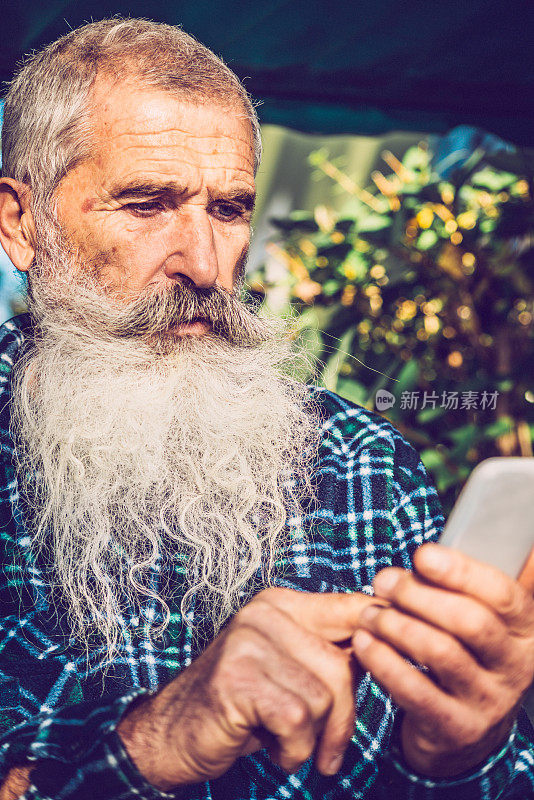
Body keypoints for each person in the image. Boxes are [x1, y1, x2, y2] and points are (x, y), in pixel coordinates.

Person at [0, 17, 532, 800]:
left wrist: (456, 750)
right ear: (21, 222)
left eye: (229, 209)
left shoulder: (364, 465)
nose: (206, 266)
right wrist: (163, 737)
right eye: (148, 204)